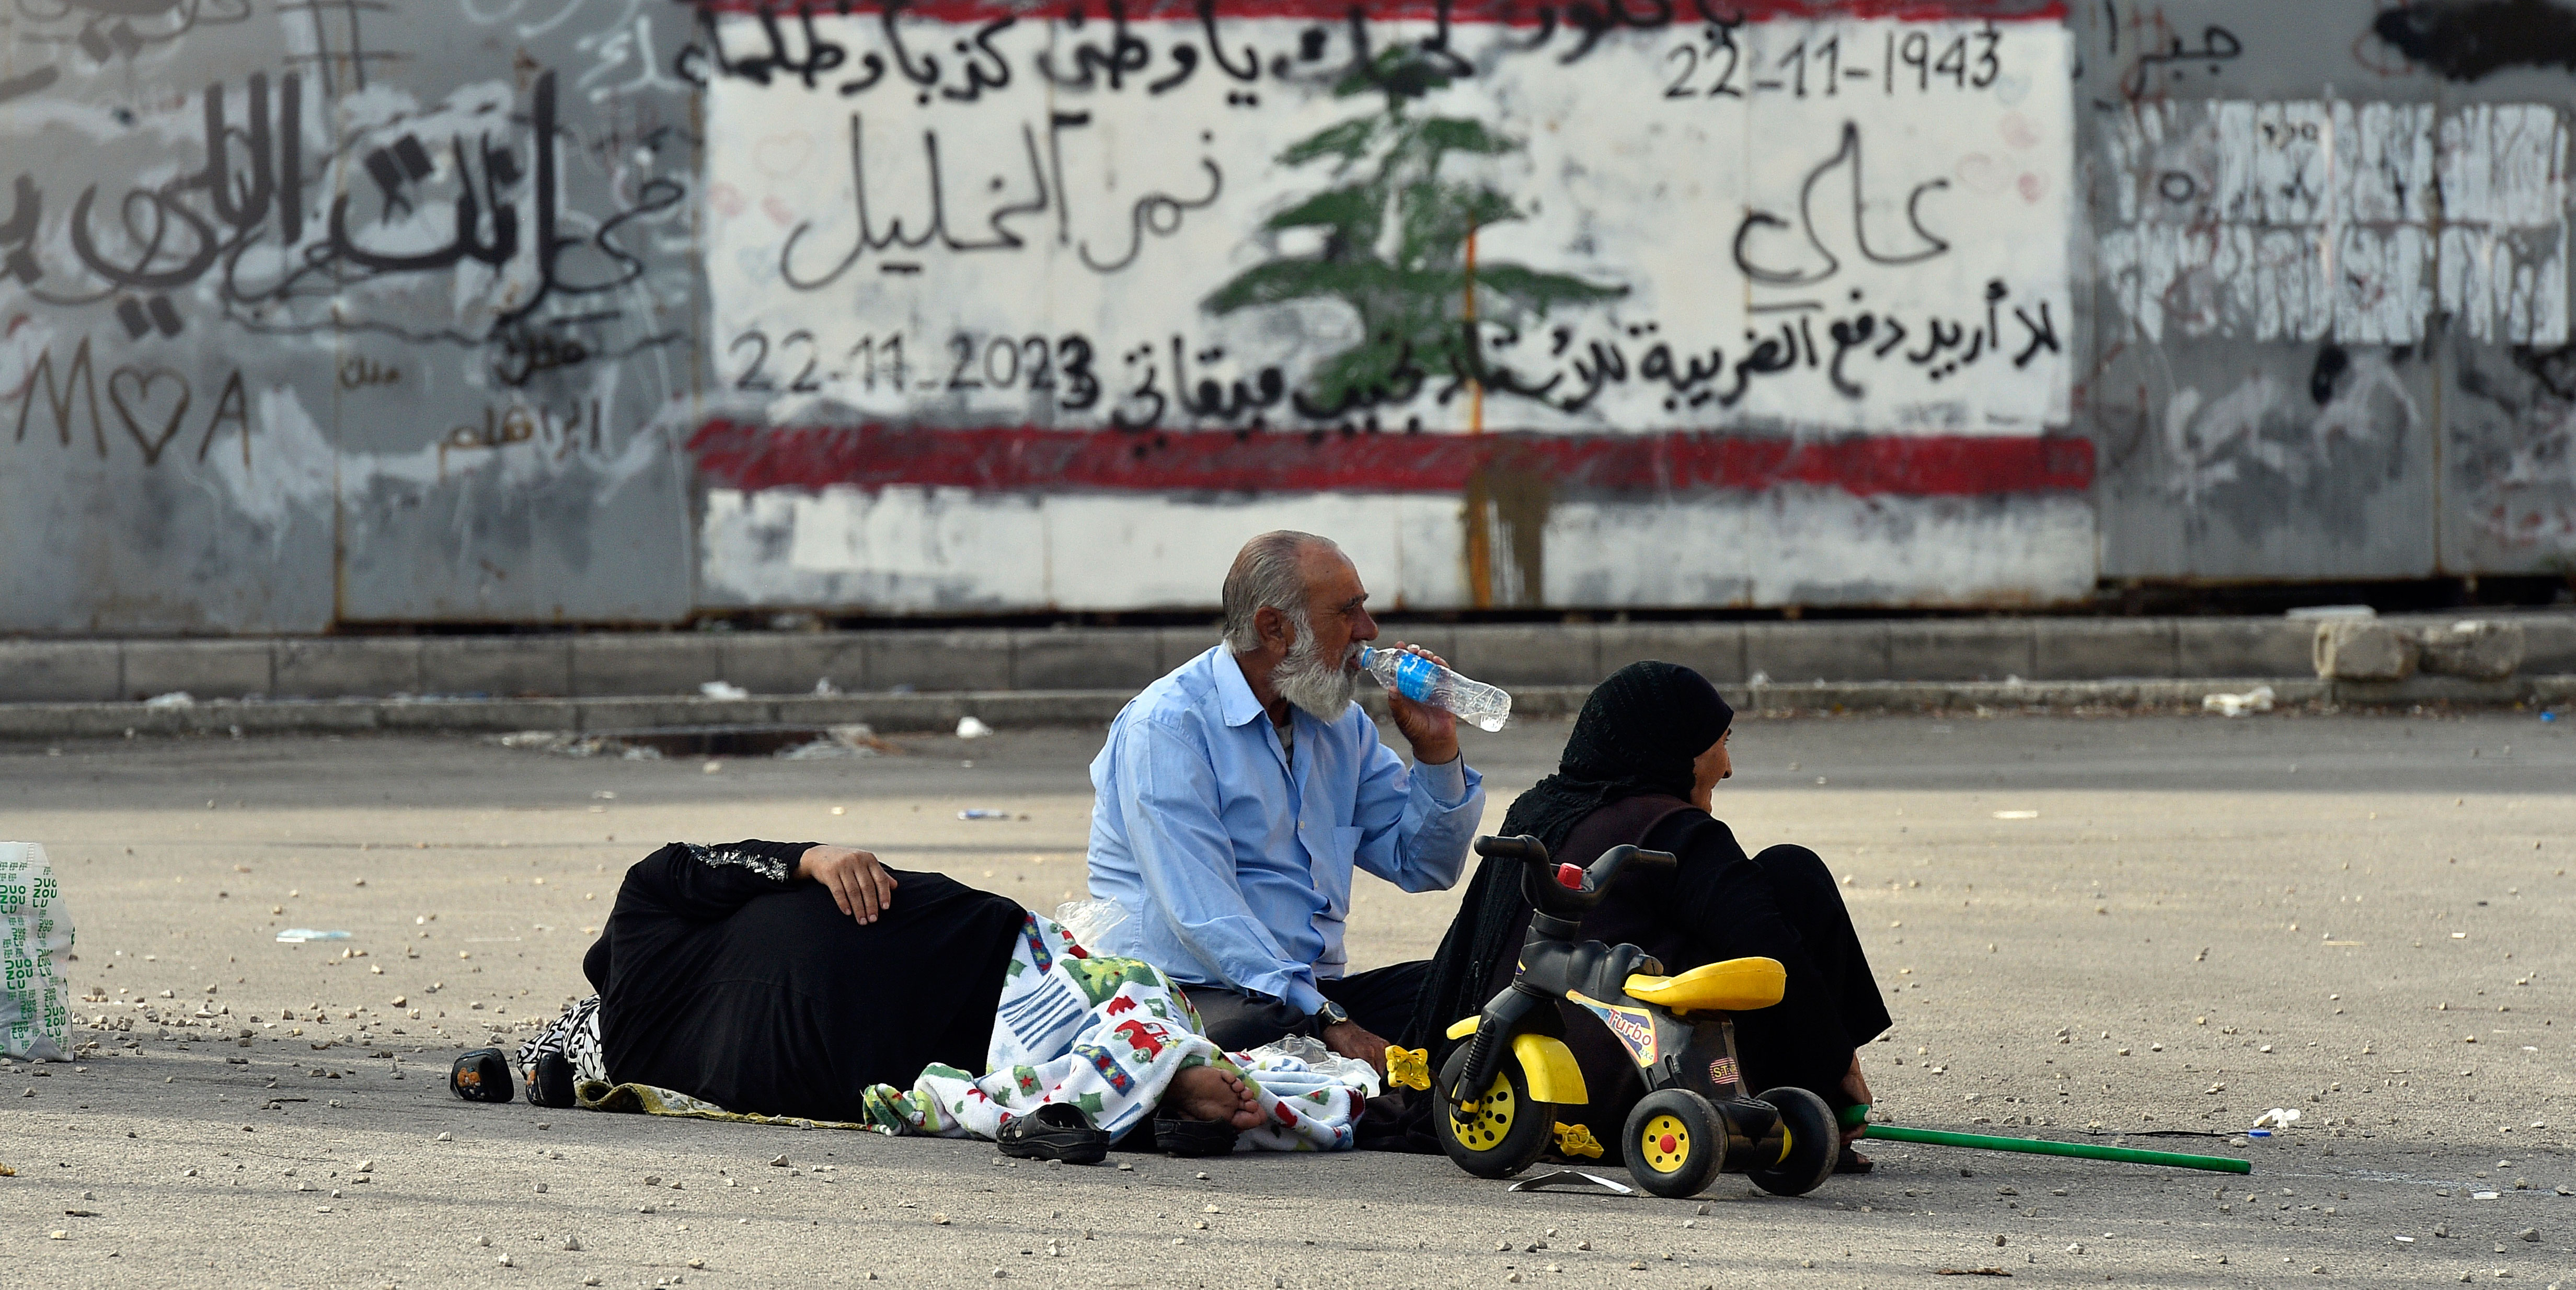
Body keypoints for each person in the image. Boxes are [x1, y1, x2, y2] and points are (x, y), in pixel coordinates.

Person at [504, 837, 1377, 1154]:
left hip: (913, 1036)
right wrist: (804, 858)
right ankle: (1163, 1070)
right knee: (1100, 1005)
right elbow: (686, 867)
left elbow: (677, 869)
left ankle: (1153, 1083)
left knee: (1039, 1071)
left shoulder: (636, 1054)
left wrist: (807, 858)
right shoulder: (649, 936)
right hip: (950, 963)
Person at [1407, 661, 1891, 1168]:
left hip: (1515, 1101)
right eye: (1720, 742)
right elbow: (1772, 953)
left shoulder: (1538, 810)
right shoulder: (1672, 827)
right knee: (1793, 876)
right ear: (1676, 746)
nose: (1726, 767)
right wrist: (1837, 1067)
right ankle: (1792, 1107)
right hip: (1646, 1102)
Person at [1085, 530, 1487, 1071]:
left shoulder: (1340, 726)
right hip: (1189, 990)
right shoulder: (1167, 727)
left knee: (1471, 997)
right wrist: (1326, 1016)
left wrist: (1436, 750)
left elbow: (1425, 866)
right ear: (1274, 628)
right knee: (1266, 1028)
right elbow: (1204, 917)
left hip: (1306, 994)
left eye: (1363, 610)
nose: (1368, 633)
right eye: (1347, 613)